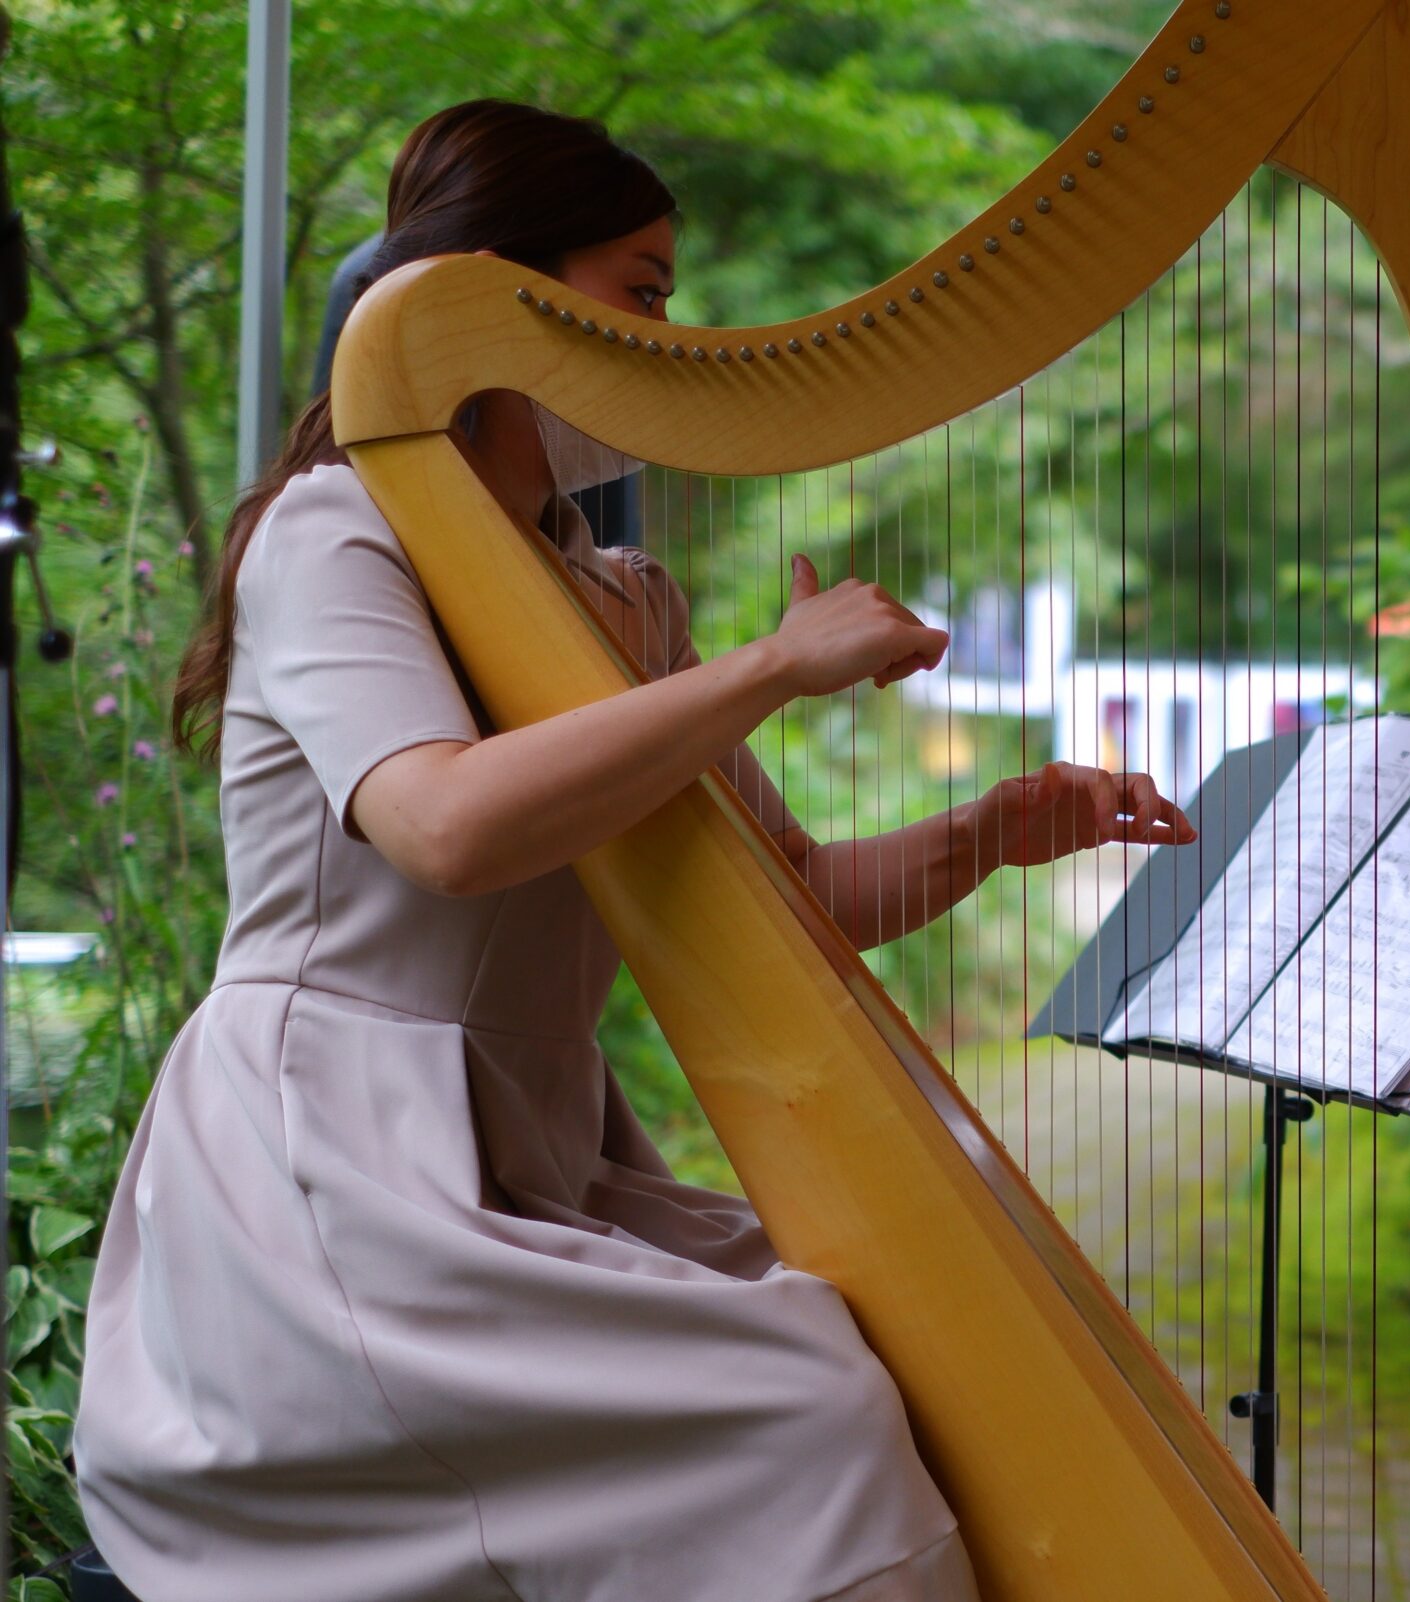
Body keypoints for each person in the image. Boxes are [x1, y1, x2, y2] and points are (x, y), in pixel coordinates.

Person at [72, 99, 1195, 1602]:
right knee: (813, 1419)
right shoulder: (332, 533)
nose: (670, 340)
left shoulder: (617, 598)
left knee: (881, 1352)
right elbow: (448, 825)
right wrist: (766, 668)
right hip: (331, 1174)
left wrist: (991, 834)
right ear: (498, 300)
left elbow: (795, 901)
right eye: (644, 294)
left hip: (534, 1161)